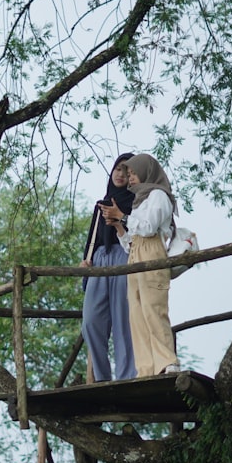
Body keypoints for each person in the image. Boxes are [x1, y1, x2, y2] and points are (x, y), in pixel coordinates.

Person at [102, 153, 180, 377]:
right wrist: (119, 226)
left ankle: (168, 362)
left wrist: (123, 217)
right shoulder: (140, 200)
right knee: (136, 315)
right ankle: (146, 368)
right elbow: (131, 242)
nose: (130, 178)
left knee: (153, 309)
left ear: (146, 172)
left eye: (133, 173)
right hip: (135, 254)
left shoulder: (158, 195)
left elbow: (148, 228)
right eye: (128, 174)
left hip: (153, 254)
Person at [80, 153, 136, 382]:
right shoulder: (100, 203)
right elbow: (92, 239)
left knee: (123, 321)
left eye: (126, 170)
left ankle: (126, 378)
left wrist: (120, 218)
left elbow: (141, 233)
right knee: (91, 321)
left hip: (124, 255)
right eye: (117, 169)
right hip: (100, 259)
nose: (120, 174)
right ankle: (102, 378)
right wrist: (86, 260)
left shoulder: (137, 203)